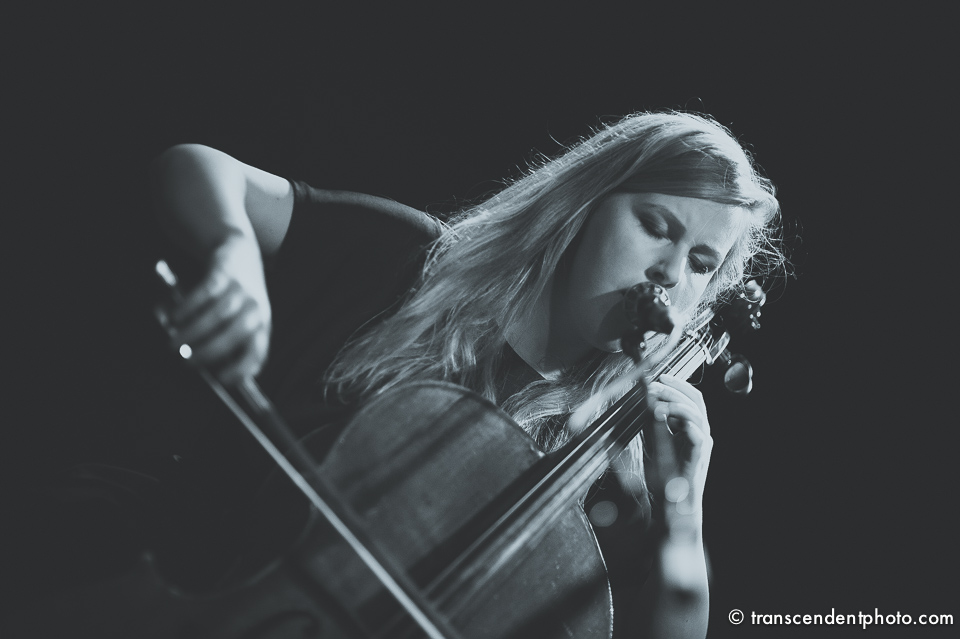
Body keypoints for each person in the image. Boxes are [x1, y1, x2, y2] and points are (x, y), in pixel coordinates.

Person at [150, 110, 783, 638]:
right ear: (586, 206)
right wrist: (233, 253)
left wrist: (684, 512)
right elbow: (195, 166)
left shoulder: (610, 477)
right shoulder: (410, 268)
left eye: (701, 263)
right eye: (655, 227)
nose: (670, 275)